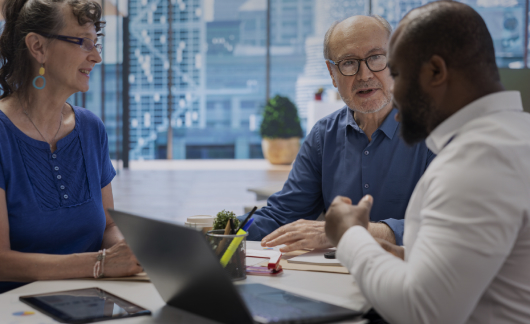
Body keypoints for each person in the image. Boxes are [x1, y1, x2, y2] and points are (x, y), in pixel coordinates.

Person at [325, 2, 530, 323]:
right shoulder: (515, 136)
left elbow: (423, 311)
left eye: (395, 73)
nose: (390, 90)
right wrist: (412, 259)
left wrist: (350, 235)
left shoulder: (477, 161)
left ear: (435, 72)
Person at [244, 15, 435, 251]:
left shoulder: (434, 131)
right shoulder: (322, 137)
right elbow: (282, 214)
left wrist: (345, 232)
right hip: (334, 282)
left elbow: (446, 225)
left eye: (376, 58)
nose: (364, 75)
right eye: (348, 63)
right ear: (332, 73)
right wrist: (225, 230)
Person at [0, 0, 142, 293]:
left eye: (96, 43)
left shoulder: (91, 128)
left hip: (93, 301)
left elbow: (108, 226)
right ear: (38, 47)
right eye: (83, 43)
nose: (96, 57)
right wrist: (99, 264)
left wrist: (127, 251)